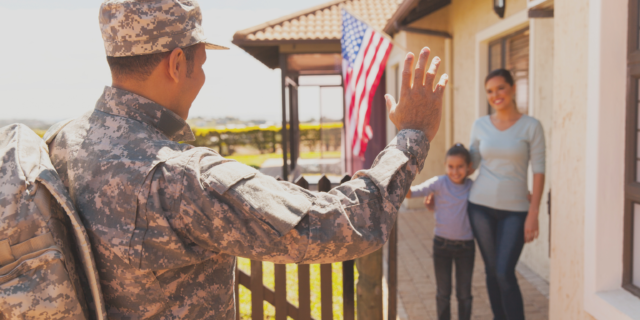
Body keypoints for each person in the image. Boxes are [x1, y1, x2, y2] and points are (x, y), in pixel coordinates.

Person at [45, 0, 449, 318]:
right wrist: (412, 136)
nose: (201, 77)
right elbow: (350, 223)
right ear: (177, 63)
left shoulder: (63, 140)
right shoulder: (181, 176)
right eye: (200, 63)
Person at [467, 69, 546, 320]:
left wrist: (533, 212)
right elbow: (469, 165)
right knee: (491, 271)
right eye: (490, 91)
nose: (495, 95)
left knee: (504, 271)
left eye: (500, 88)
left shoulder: (531, 126)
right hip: (480, 206)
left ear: (512, 88)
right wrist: (441, 187)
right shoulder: (479, 125)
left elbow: (539, 171)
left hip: (516, 210)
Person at [406, 143, 475, 320]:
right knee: (443, 293)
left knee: (464, 294)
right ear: (445, 166)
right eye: (450, 166)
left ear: (469, 167)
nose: (455, 171)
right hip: (442, 246)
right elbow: (413, 193)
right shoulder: (439, 183)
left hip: (466, 248)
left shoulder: (473, 187)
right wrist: (403, 178)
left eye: (460, 166)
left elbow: (493, 197)